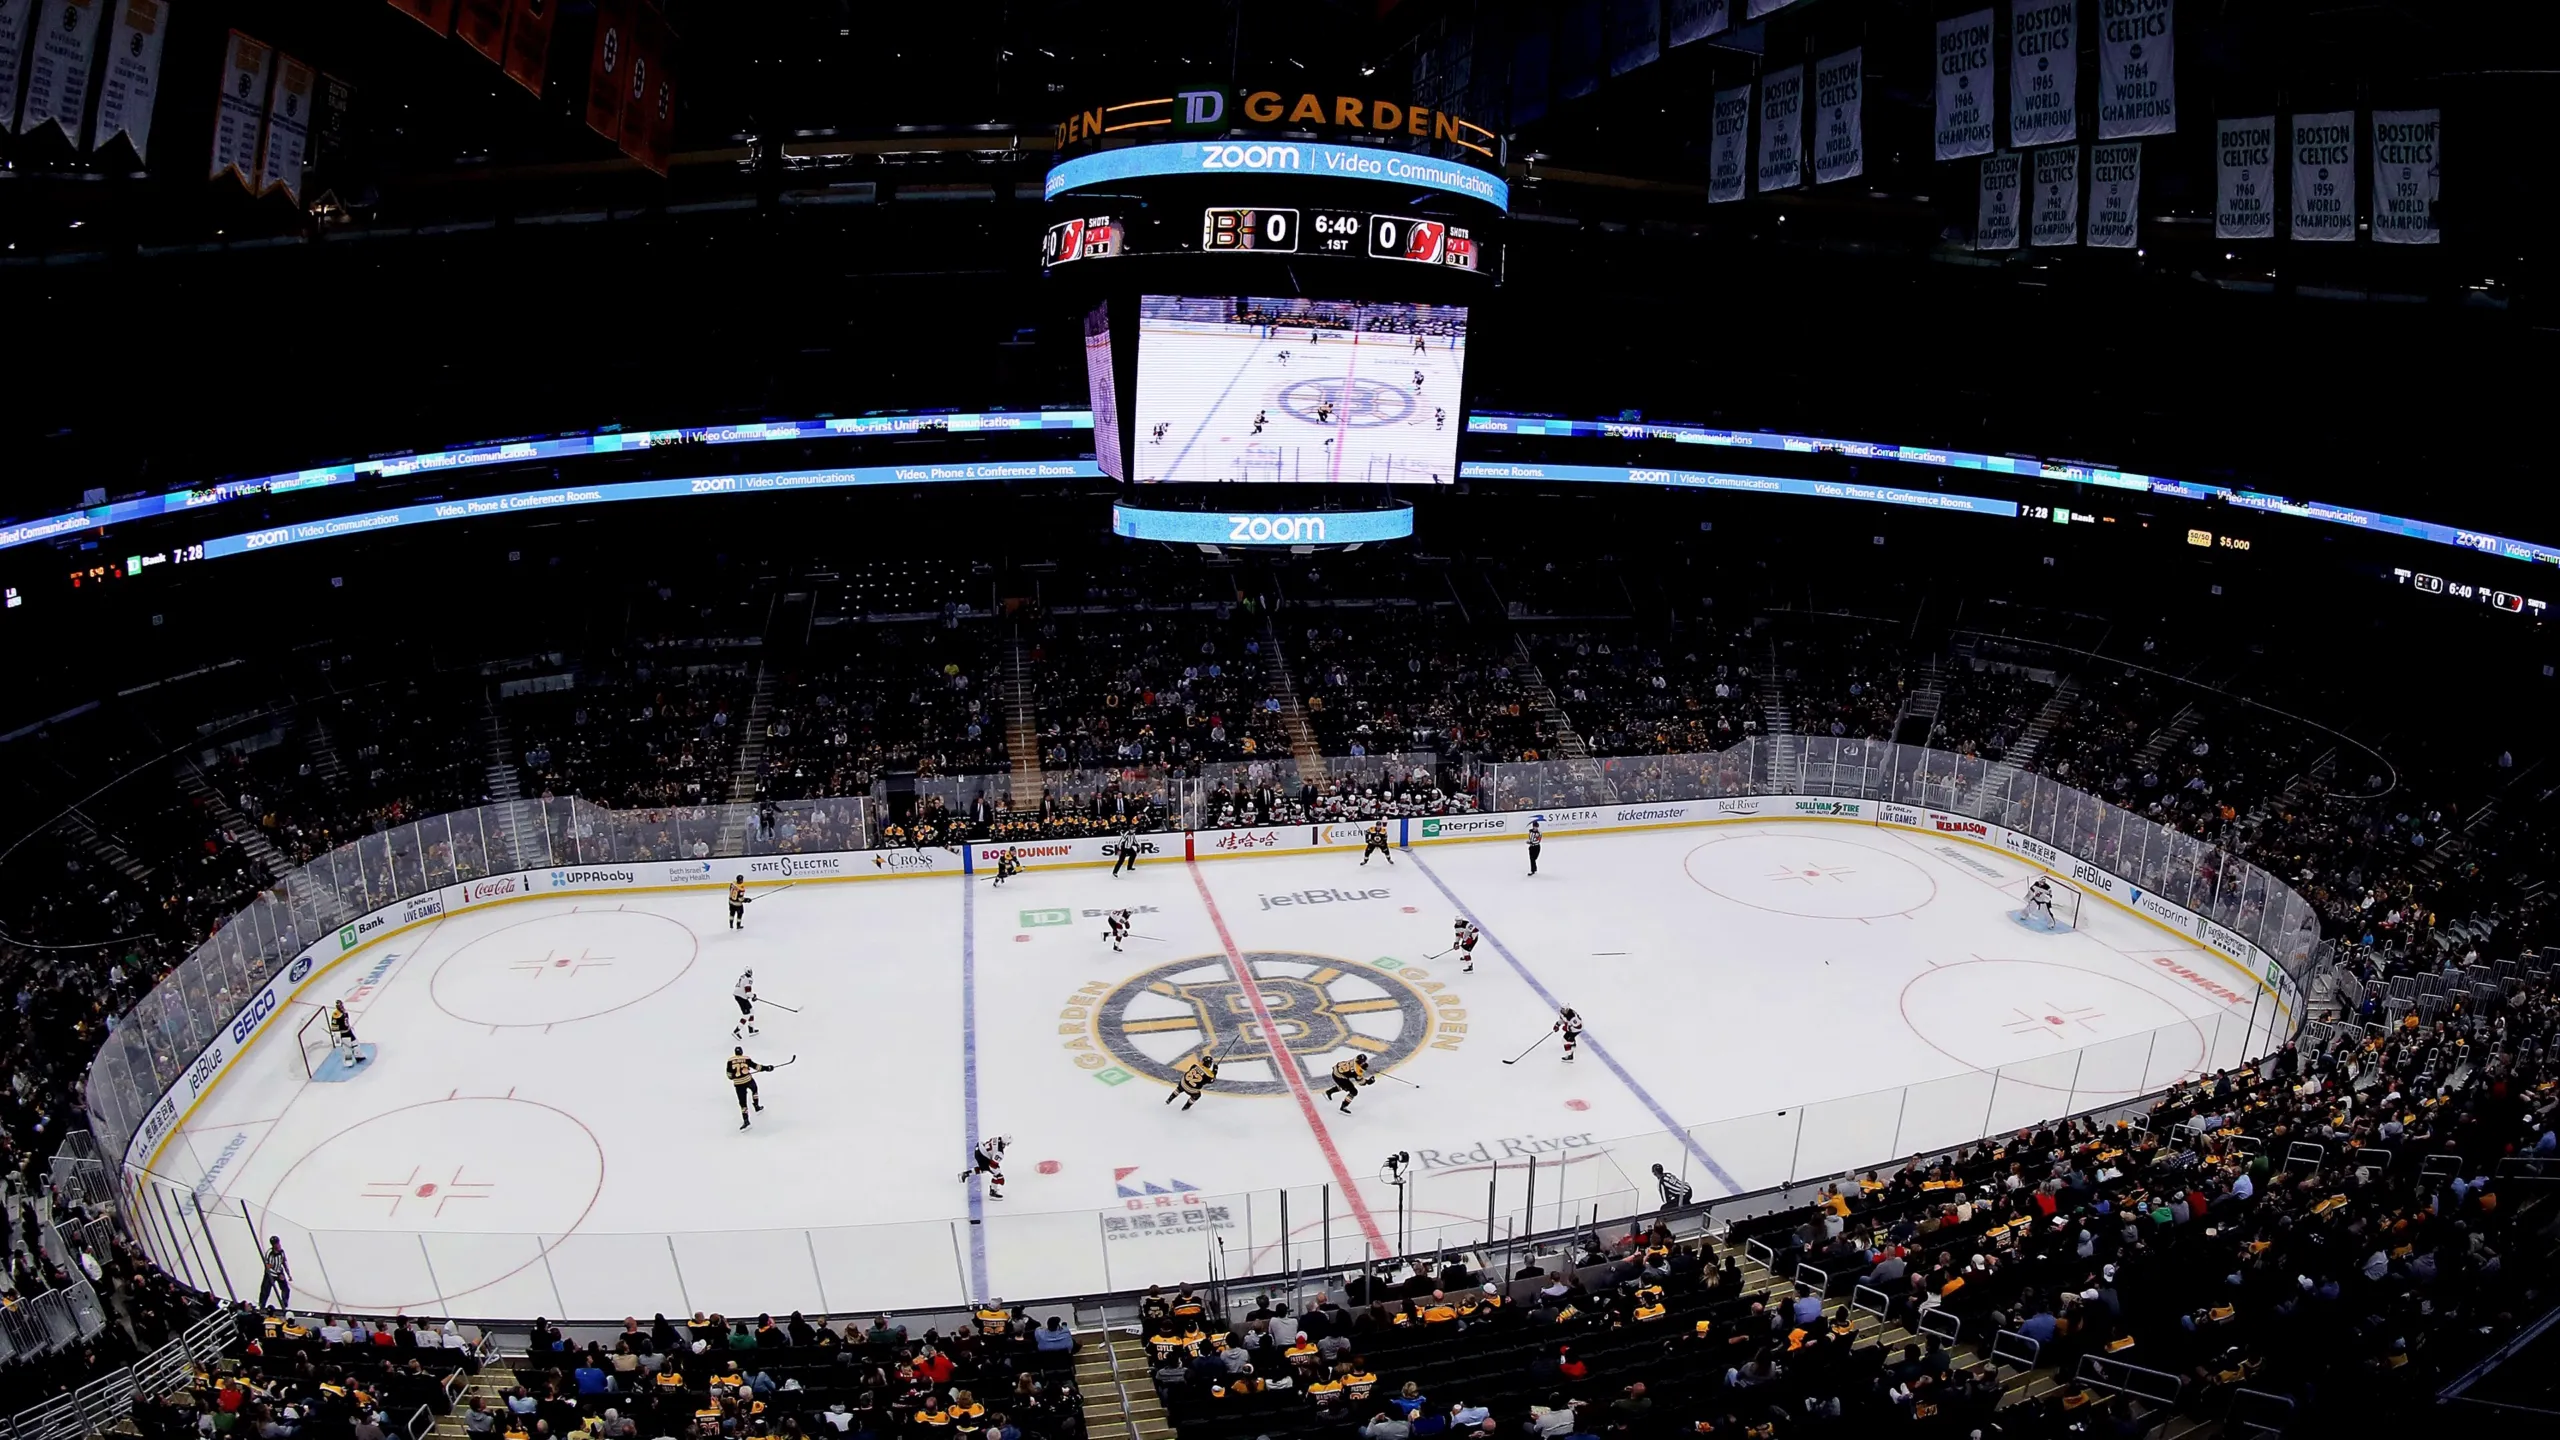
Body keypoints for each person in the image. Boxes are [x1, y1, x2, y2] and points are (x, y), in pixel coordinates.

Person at [727, 1048, 774, 1130]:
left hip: (738, 1083)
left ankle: (746, 1121)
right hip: (748, 1079)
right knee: (754, 1089)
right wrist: (767, 1068)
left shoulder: (730, 1061)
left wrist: (734, 1076)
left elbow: (729, 1075)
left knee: (743, 1103)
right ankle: (756, 1105)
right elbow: (757, 1067)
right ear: (741, 1052)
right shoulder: (746, 1058)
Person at [961, 1134, 1012, 1198]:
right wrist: (1000, 1177)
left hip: (979, 1149)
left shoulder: (996, 1138)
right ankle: (993, 1192)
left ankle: (966, 1174)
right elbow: (992, 1165)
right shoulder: (1000, 1153)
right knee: (997, 1174)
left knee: (984, 1169)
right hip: (982, 1155)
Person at [326, 1001, 366, 1068]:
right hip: (343, 1033)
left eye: (341, 1005)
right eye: (340, 1006)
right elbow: (334, 1027)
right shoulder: (336, 1015)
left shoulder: (344, 1012)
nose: (341, 1006)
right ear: (337, 1007)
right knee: (347, 1049)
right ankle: (348, 1062)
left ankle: (358, 1057)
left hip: (349, 1031)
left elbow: (346, 1022)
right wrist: (337, 1039)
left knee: (355, 1044)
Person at [258, 1235, 291, 1310]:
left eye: (279, 1243)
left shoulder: (282, 1252)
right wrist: (277, 1274)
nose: (279, 1245)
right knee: (265, 1290)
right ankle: (262, 1306)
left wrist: (288, 1274)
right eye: (277, 1244)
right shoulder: (269, 1253)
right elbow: (267, 1267)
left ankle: (284, 1305)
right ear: (273, 1245)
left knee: (286, 1289)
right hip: (270, 1274)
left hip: (279, 1272)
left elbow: (284, 1262)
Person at [732, 970, 759, 1039]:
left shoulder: (743, 976)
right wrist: (753, 996)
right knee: (746, 1015)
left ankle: (751, 1029)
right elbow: (748, 993)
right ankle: (736, 1031)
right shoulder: (748, 980)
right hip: (741, 997)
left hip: (741, 996)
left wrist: (751, 996)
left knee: (751, 1011)